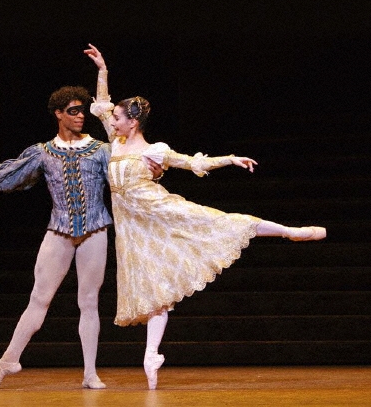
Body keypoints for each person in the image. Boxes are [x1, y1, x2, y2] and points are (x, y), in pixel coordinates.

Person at [84, 44, 326, 390]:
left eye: (119, 118)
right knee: (154, 289)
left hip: (160, 211)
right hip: (134, 228)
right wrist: (102, 70)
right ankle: (151, 356)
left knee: (221, 222)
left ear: (132, 122)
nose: (112, 121)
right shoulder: (117, 142)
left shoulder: (155, 151)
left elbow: (192, 162)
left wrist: (230, 158)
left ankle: (290, 231)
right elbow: (103, 105)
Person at [0, 73, 162, 389]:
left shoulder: (100, 150)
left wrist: (155, 171)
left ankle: (90, 372)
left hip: (95, 230)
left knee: (89, 302)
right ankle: (8, 360)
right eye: (73, 111)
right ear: (58, 114)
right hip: (59, 231)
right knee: (39, 298)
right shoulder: (43, 152)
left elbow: (130, 171)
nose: (80, 116)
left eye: (82, 110)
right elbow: (1, 179)